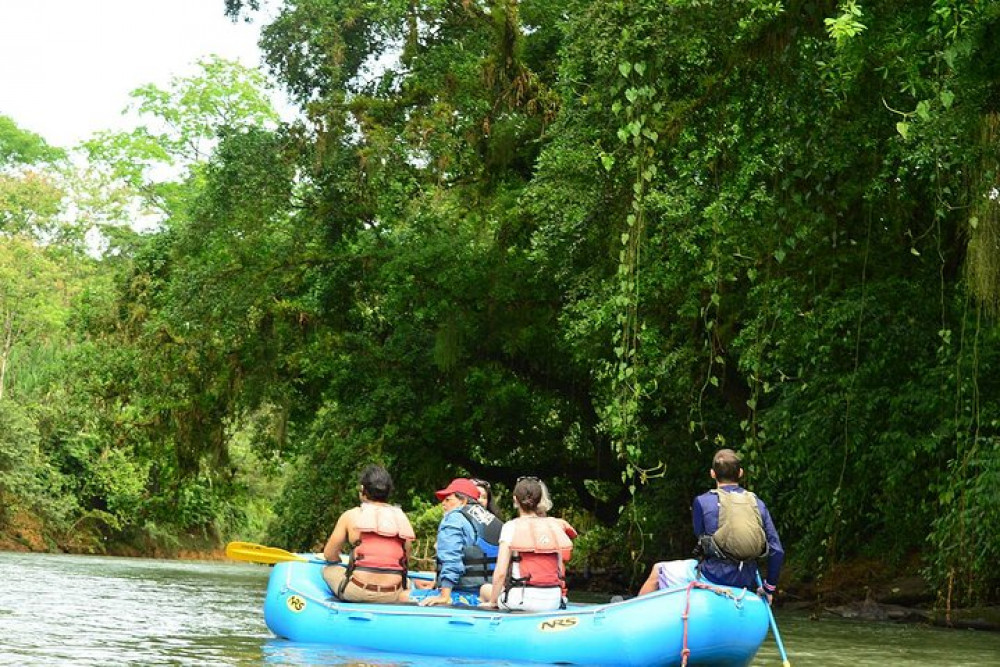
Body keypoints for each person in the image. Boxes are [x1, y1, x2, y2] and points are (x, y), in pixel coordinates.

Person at [638, 449, 784, 601]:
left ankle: (631, 615)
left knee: (658, 571)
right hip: (747, 579)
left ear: (713, 473)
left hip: (713, 575)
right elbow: (777, 551)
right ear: (740, 473)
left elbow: (701, 537)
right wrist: (768, 588)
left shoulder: (702, 501)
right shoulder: (757, 504)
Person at [321, 464, 416, 603]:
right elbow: (405, 557)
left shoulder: (351, 515)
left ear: (362, 490)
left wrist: (341, 564)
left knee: (327, 570)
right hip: (393, 594)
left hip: (358, 591)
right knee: (409, 581)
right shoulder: (401, 518)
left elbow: (329, 555)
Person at [479, 476, 574, 612]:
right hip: (554, 600)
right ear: (540, 500)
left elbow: (500, 573)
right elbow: (559, 570)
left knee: (484, 590)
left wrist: (493, 602)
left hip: (522, 600)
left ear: (515, 500)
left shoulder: (510, 527)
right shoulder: (554, 526)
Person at [418, 477, 503, 606]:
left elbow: (451, 559)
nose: (443, 504)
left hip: (464, 594)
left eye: (448, 499)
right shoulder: (494, 520)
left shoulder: (453, 518)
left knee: (403, 596)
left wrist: (444, 596)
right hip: (490, 593)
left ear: (462, 501)